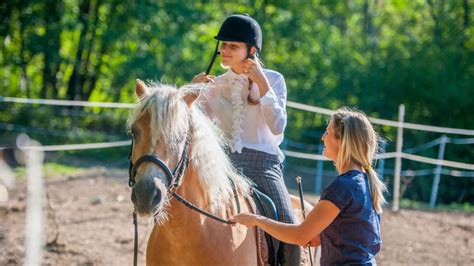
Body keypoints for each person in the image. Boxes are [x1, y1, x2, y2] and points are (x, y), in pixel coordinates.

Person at [192, 14, 300, 265]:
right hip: (222, 165)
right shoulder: (214, 85)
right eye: (223, 45)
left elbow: (278, 126)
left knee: (288, 226)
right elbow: (200, 130)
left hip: (264, 165)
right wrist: (192, 95)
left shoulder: (274, 79)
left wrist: (261, 83)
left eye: (233, 46)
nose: (224, 50)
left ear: (251, 50)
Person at [231, 108, 387, 266]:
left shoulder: (342, 187)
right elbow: (354, 233)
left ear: (342, 141)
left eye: (327, 133)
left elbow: (300, 236)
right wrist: (325, 237)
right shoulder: (365, 183)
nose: (322, 137)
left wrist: (257, 220)